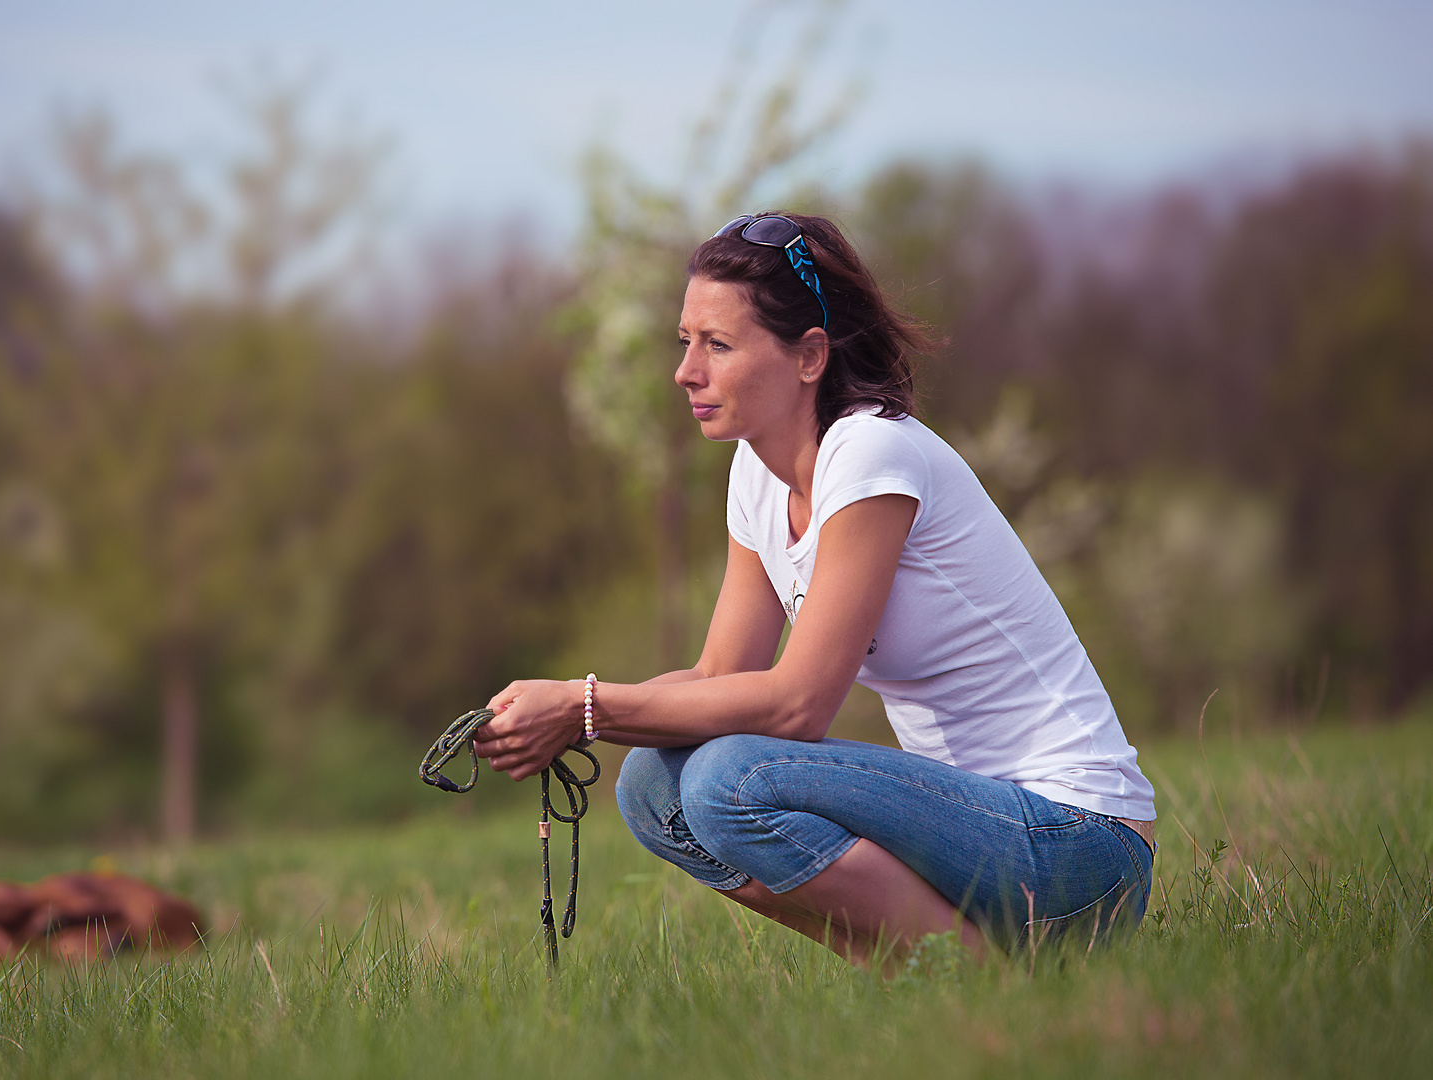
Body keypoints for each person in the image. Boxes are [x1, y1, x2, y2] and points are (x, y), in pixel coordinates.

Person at [471, 212, 1155, 967]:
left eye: (718, 345)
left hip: (1079, 847)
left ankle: (976, 981)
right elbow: (718, 677)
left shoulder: (872, 453)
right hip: (974, 834)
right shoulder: (754, 475)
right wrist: (566, 716)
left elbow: (798, 705)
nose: (685, 371)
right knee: (652, 787)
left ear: (809, 357)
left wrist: (583, 703)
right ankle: (921, 967)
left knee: (734, 778)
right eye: (685, 341)